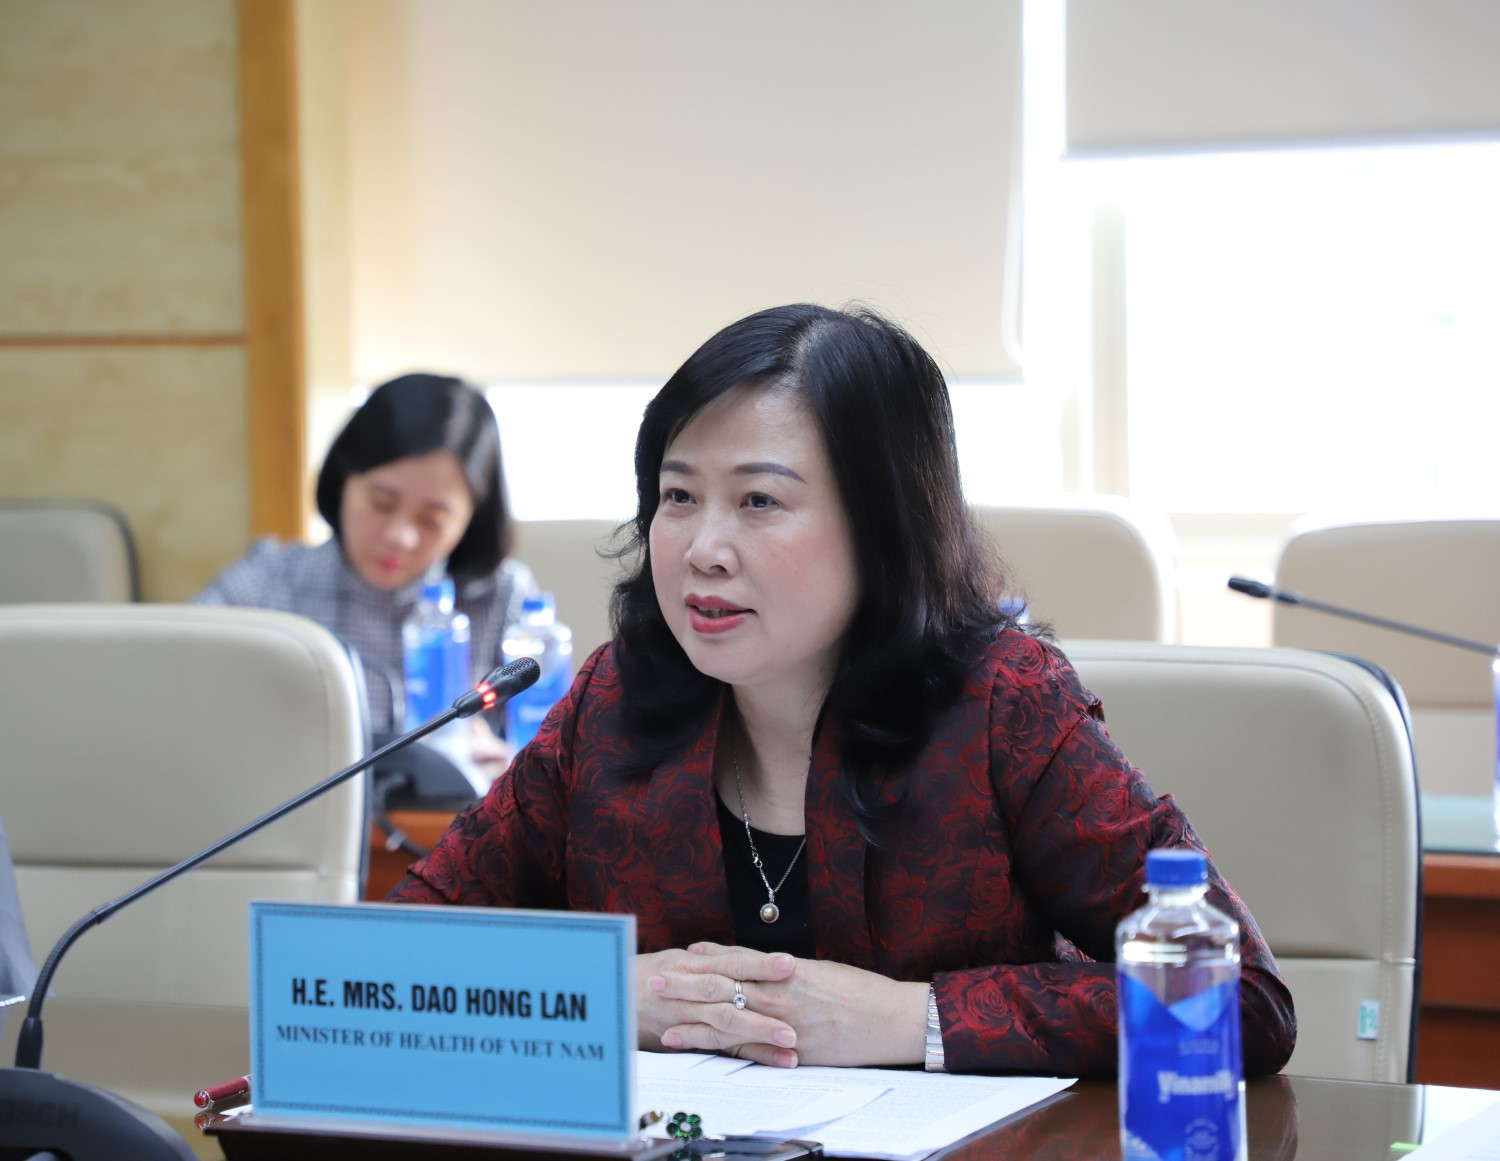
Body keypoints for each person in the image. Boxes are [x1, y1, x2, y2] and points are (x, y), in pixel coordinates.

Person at [388, 305, 1296, 1077]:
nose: (703, 548)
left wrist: (912, 1019)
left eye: (759, 501)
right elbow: (395, 956)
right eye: (678, 496)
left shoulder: (1002, 705)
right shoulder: (613, 705)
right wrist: (601, 991)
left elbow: (1239, 1000)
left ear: (883, 524)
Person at [197, 373, 536, 770]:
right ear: (343, 478)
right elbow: (172, 688)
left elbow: (555, 754)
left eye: (432, 520)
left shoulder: (505, 601)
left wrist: (511, 768)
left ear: (471, 520)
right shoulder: (266, 586)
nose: (399, 537)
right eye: (381, 503)